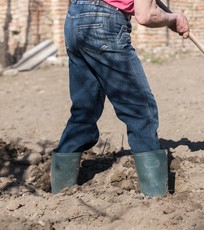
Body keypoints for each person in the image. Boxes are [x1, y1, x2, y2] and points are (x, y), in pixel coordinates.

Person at [51, 0, 190, 196]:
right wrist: (172, 18)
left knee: (85, 108)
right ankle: (156, 195)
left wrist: (167, 18)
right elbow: (146, 15)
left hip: (75, 17)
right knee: (140, 109)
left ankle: (60, 189)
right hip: (104, 25)